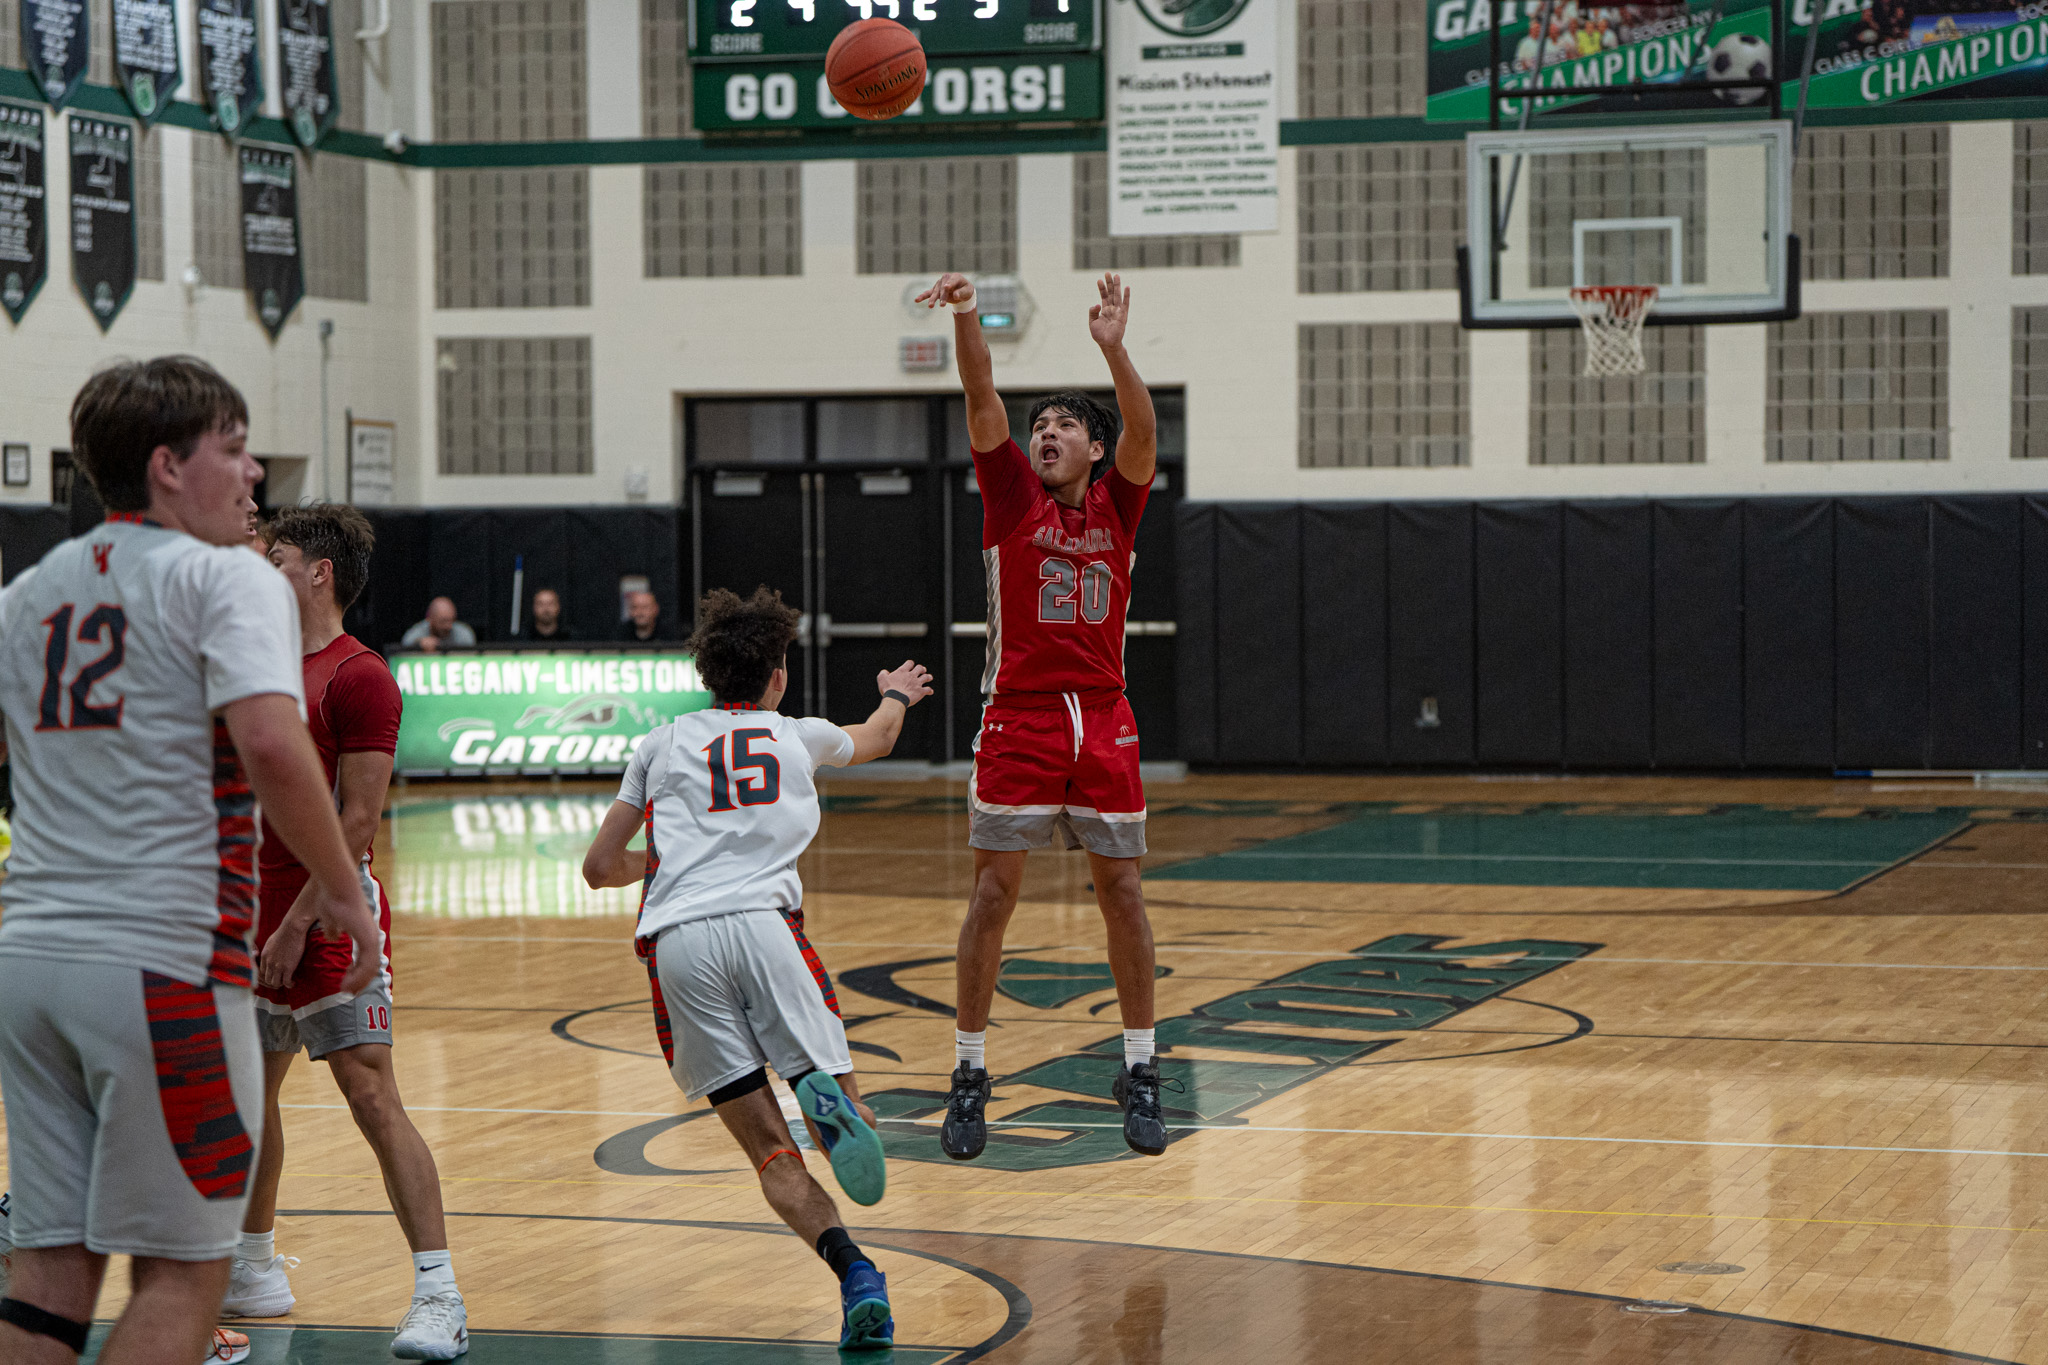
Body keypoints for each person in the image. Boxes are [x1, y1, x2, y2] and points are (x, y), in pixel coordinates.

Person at [0, 357, 380, 1365]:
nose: (253, 472)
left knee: (48, 1272)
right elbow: (270, 744)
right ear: (168, 466)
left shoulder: (32, 588)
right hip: (159, 964)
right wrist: (348, 896)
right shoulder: (225, 579)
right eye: (234, 447)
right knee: (185, 1273)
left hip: (30, 961)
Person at [580, 586, 932, 1352]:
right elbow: (876, 737)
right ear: (777, 675)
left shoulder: (659, 743)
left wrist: (665, 859)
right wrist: (897, 694)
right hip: (766, 929)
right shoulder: (795, 734)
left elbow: (599, 866)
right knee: (848, 1106)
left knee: (769, 1152)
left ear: (705, 672)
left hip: (679, 943)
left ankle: (857, 1275)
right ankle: (832, 1101)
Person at [912, 270, 1165, 1161]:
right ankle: (970, 1070)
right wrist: (969, 314)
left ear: (1094, 449)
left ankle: (1140, 1065)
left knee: (1123, 892)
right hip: (1019, 713)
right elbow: (982, 395)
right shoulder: (1012, 498)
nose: (1045, 433)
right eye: (1039, 427)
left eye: (1063, 426)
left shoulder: (1120, 503)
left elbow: (1145, 429)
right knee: (992, 893)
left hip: (1102, 715)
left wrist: (1112, 346)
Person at [233, 506, 466, 1359]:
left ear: (319, 571)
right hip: (247, 917)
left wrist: (297, 925)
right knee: (250, 1100)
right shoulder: (249, 663)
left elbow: (357, 818)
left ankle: (440, 1294)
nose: (264, 562)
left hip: (325, 919)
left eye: (279, 553)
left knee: (372, 1099)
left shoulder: (359, 674)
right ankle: (252, 1267)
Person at [400, 597, 474, 653]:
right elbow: (404, 645)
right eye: (443, 621)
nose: (448, 626)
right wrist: (419, 644)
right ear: (430, 619)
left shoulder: (463, 633)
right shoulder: (420, 631)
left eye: (451, 620)